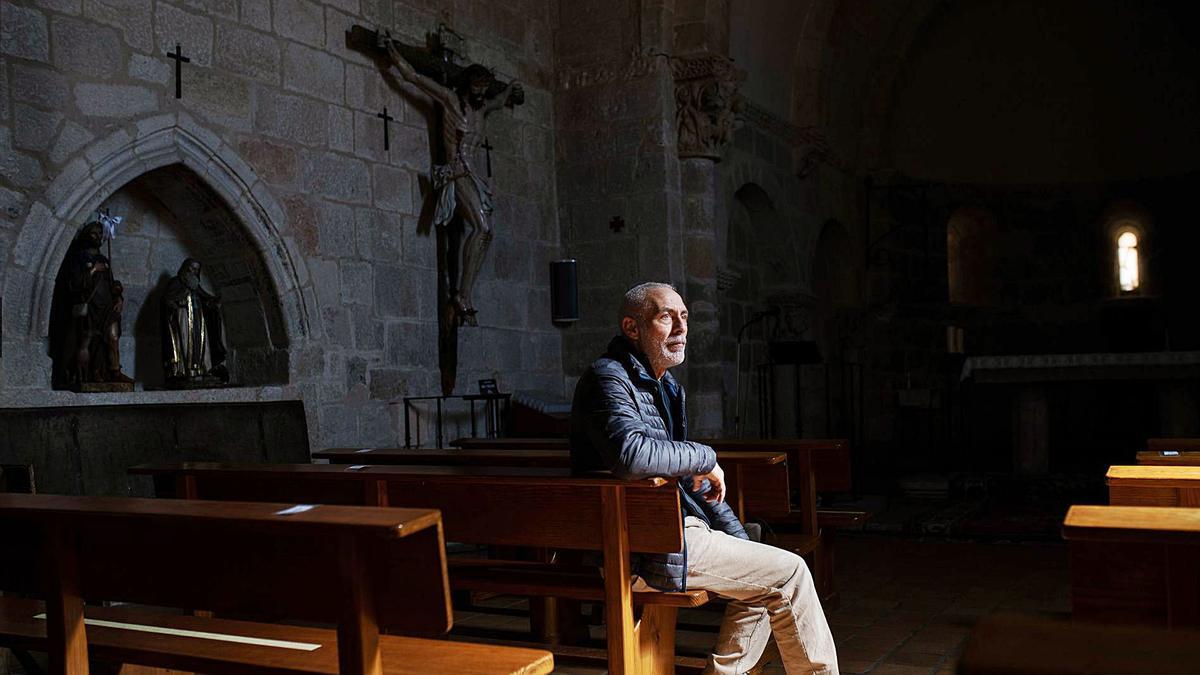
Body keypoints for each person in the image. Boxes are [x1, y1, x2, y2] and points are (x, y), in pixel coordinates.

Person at [570, 282, 839, 675]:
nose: (681, 327)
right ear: (632, 327)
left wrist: (740, 538)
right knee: (791, 574)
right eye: (666, 317)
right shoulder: (608, 377)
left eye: (685, 318)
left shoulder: (665, 386)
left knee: (764, 574)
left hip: (667, 532)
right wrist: (705, 456)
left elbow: (692, 486)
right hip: (641, 545)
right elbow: (632, 455)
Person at [382, 34, 523, 327]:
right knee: (483, 227)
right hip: (456, 172)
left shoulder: (482, 108)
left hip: (473, 176)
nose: (481, 94)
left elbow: (498, 100)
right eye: (477, 88)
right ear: (465, 85)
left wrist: (509, 88)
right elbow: (413, 78)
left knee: (486, 233)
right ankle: (462, 295)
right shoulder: (450, 99)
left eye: (484, 89)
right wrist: (393, 53)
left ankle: (464, 293)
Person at [61, 221, 134, 386]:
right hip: (90, 307)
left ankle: (114, 371)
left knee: (113, 337)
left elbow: (111, 283)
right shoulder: (79, 258)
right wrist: (93, 270)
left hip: (107, 306)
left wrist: (118, 297)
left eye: (100, 234)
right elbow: (74, 283)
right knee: (88, 340)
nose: (98, 237)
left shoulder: (103, 259)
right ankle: (86, 375)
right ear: (87, 236)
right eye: (94, 233)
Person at [161, 258, 229, 384]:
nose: (193, 271)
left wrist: (213, 302)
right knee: (185, 344)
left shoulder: (195, 285)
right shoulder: (176, 283)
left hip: (198, 319)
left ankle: (202, 370)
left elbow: (204, 298)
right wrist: (175, 303)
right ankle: (184, 371)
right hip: (183, 317)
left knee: (201, 344)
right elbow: (168, 299)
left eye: (196, 269)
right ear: (185, 268)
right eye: (191, 268)